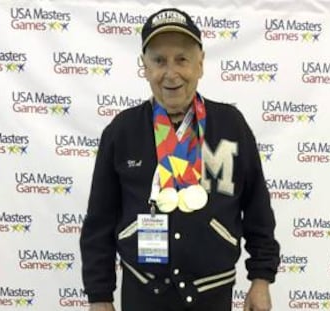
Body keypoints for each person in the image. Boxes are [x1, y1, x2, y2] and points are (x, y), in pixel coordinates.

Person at [80, 7, 280, 311]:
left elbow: (257, 210)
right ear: (144, 67)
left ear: (200, 64)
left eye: (182, 59)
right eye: (159, 61)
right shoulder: (121, 131)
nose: (171, 74)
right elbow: (99, 223)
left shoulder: (231, 125)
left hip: (213, 293)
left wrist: (261, 279)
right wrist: (99, 297)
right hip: (143, 293)